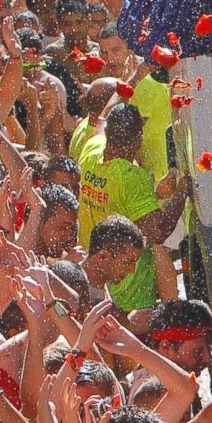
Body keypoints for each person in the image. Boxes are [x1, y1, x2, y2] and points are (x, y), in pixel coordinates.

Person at [71, 101, 187, 308]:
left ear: (107, 132)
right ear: (139, 139)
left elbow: (101, 121)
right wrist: (183, 190)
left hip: (94, 273)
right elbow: (157, 232)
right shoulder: (132, 177)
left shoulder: (91, 149)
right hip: (129, 291)